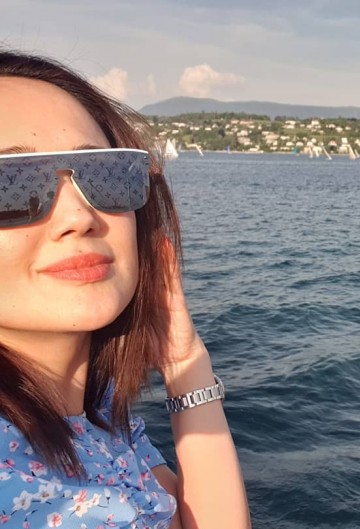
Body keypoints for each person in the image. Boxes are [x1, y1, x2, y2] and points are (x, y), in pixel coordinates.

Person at [0, 49, 250, 528]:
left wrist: (184, 364)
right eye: (10, 185)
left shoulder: (96, 411)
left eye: (105, 175)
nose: (80, 216)